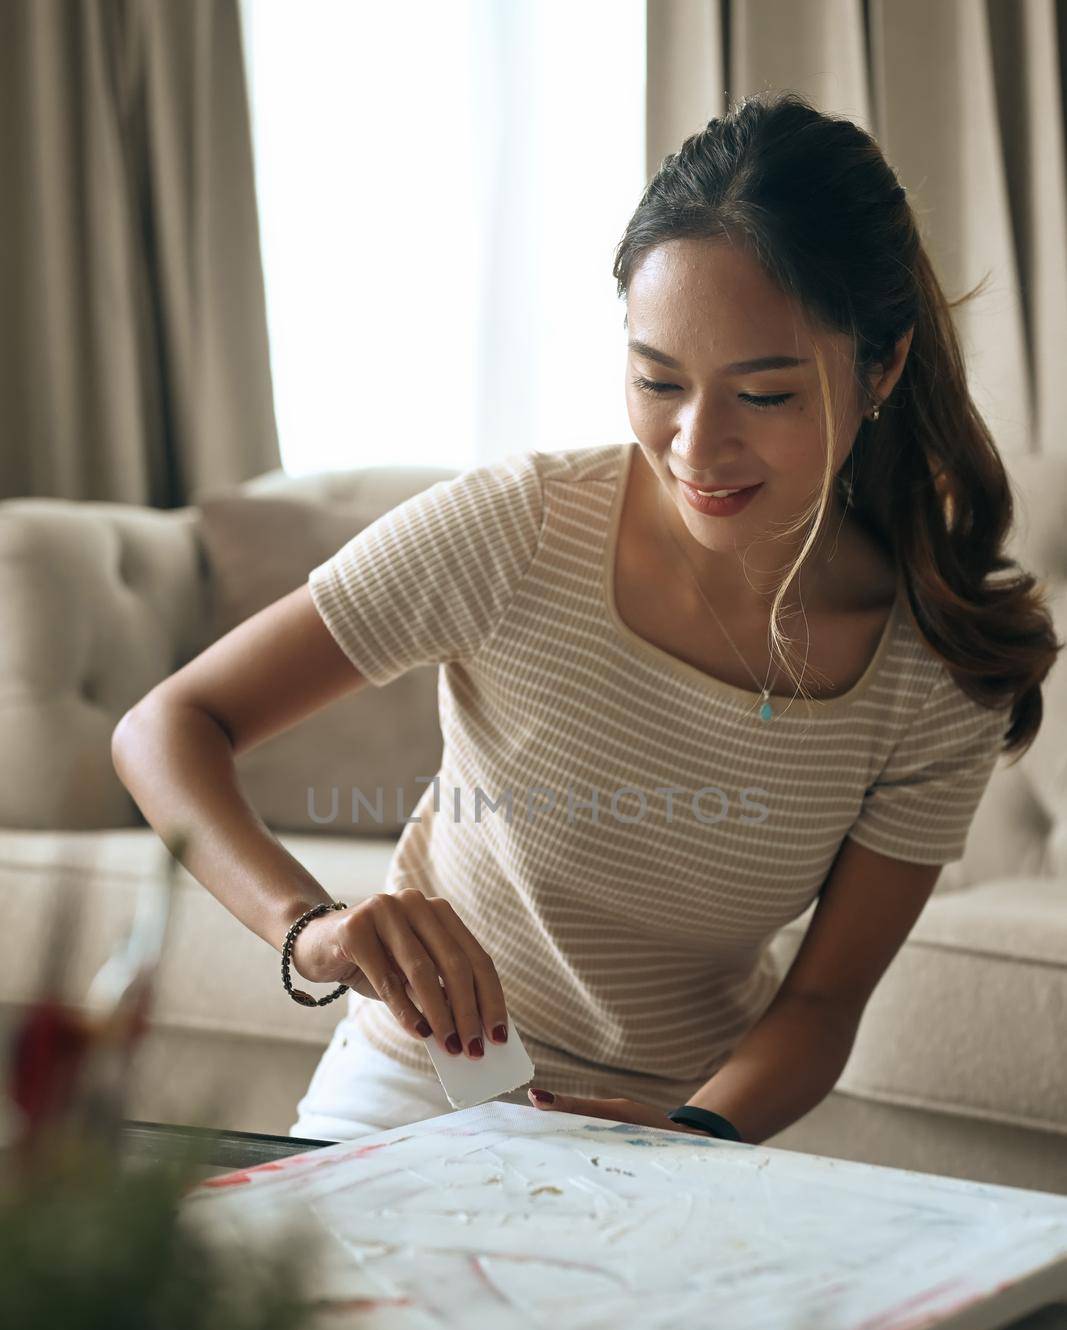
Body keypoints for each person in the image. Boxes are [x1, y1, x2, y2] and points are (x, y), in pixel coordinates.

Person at [111, 90, 1061, 1146]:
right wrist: (310, 930)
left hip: (683, 1130)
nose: (695, 447)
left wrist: (686, 1137)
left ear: (877, 367)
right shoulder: (520, 524)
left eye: (764, 396)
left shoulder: (936, 667)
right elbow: (166, 726)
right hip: (412, 1097)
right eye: (657, 380)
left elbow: (820, 1006)